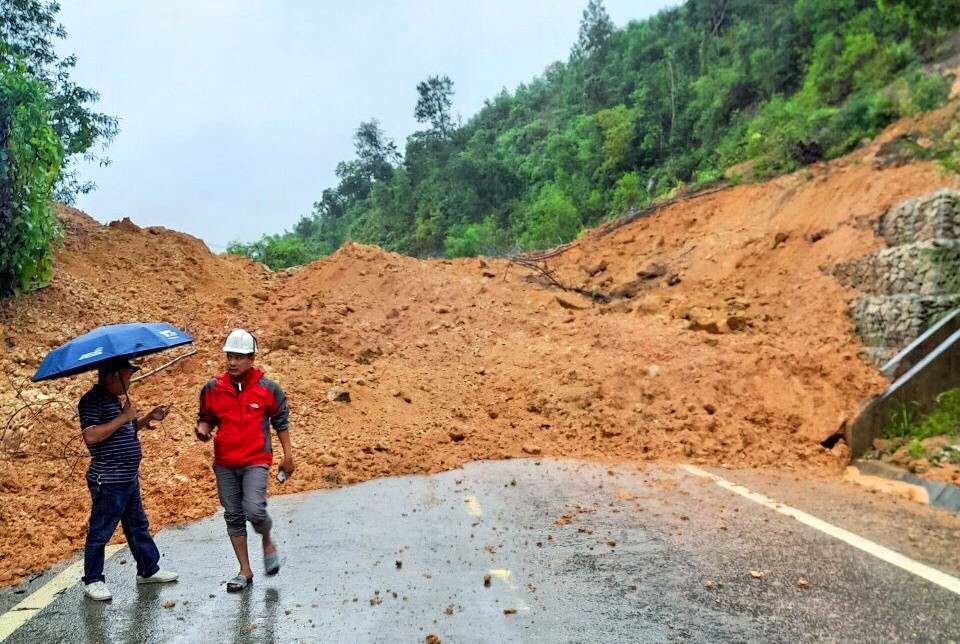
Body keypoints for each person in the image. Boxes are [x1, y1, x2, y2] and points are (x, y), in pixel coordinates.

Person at [196, 328, 294, 592]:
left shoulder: (268, 389)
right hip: (224, 463)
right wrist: (203, 429)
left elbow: (281, 422)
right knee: (233, 515)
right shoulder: (212, 389)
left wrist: (288, 455)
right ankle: (244, 570)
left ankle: (266, 539)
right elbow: (206, 417)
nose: (232, 362)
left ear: (252, 359)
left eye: (239, 357)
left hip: (256, 460)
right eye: (229, 356)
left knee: (254, 510)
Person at [78, 358, 178, 601]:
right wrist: (123, 418)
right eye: (127, 376)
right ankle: (93, 580)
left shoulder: (115, 400)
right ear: (113, 376)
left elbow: (127, 429)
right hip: (108, 479)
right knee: (101, 530)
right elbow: (91, 435)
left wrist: (148, 417)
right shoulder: (92, 401)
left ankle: (148, 569)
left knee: (137, 525)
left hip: (127, 476)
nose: (130, 382)